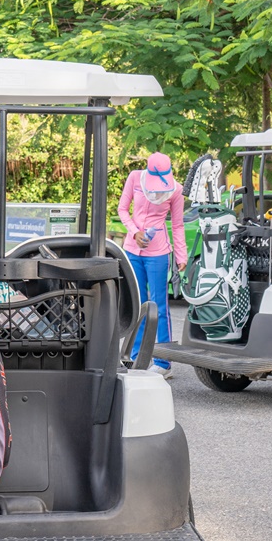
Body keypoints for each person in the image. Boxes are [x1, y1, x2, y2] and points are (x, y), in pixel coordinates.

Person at [118, 152, 186, 378]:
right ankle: (136, 356)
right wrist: (135, 232)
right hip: (132, 249)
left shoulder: (175, 190)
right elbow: (122, 210)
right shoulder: (135, 178)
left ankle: (164, 362)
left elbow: (177, 225)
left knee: (159, 305)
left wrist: (181, 256)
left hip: (158, 252)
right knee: (138, 303)